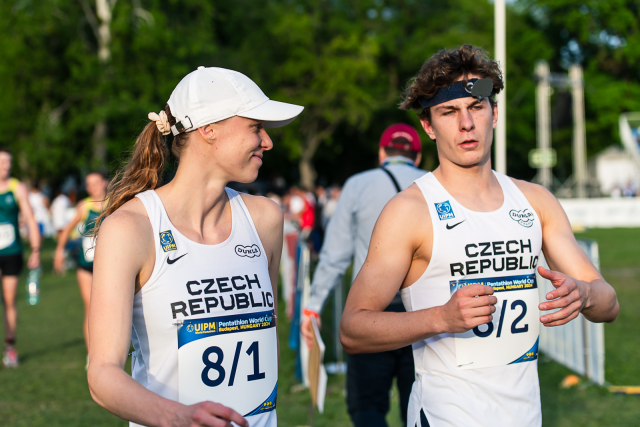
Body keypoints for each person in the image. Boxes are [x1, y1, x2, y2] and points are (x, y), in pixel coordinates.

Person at [339, 45, 620, 427]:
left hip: (525, 417)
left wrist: (584, 294)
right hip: (444, 417)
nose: (466, 123)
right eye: (448, 112)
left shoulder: (536, 200)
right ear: (428, 126)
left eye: (476, 106)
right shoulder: (409, 211)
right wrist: (440, 318)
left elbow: (608, 304)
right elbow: (353, 329)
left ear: (494, 113)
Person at [87, 66, 303, 427]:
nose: (267, 141)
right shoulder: (130, 228)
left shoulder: (265, 218)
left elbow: (266, 337)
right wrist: (179, 416)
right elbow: (102, 375)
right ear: (209, 128)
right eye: (255, 127)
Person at [301, 123, 426, 427]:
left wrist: (313, 307)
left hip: (371, 313)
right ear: (418, 156)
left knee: (367, 407)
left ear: (382, 153)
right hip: (424, 314)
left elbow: (335, 254)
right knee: (423, 408)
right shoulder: (434, 184)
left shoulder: (358, 184)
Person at [53, 172, 109, 355]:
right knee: (91, 308)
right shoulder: (84, 206)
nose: (93, 187)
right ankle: (92, 355)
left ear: (104, 183)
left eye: (96, 182)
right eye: (89, 184)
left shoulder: (116, 203)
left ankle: (111, 351)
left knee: (111, 309)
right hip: (86, 264)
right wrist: (59, 252)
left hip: (110, 266)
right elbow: (67, 229)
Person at [0, 147, 41, 367]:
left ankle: (10, 348)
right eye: (1, 162)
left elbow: (30, 218)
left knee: (9, 301)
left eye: (8, 162)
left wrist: (35, 249)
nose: (5, 166)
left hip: (11, 252)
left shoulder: (17, 187)